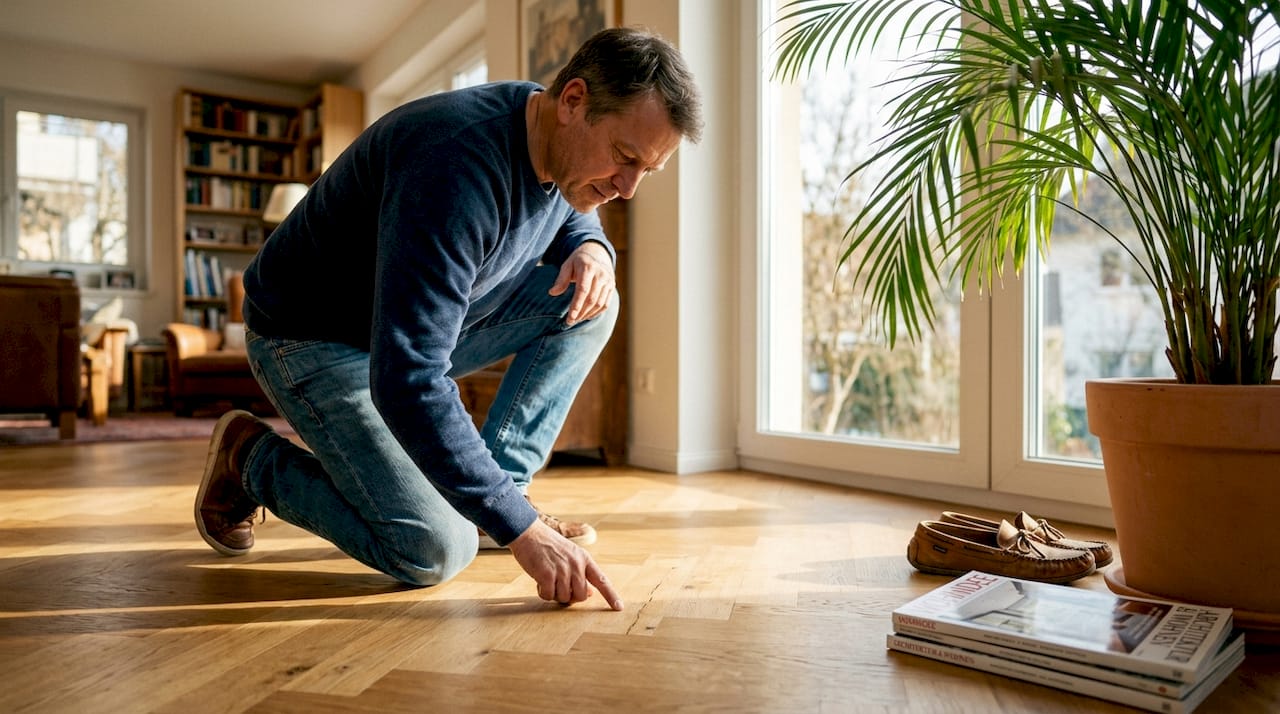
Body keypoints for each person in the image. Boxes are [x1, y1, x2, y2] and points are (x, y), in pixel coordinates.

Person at [194, 27, 703, 611]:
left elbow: (571, 205)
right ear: (573, 101)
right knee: (432, 548)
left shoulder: (554, 140)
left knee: (592, 301)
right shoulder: (453, 166)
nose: (629, 188)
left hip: (398, 326)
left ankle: (498, 500)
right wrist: (526, 534)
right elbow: (408, 379)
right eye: (625, 158)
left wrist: (592, 247)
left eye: (648, 171)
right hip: (310, 337)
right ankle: (251, 459)